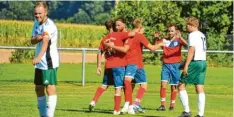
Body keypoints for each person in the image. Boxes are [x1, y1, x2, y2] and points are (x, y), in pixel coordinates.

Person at [105, 18, 163, 114]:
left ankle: (128, 105)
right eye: (143, 27)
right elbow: (152, 48)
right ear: (140, 27)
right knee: (141, 84)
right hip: (136, 63)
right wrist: (162, 43)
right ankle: (132, 104)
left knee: (129, 85)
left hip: (126, 62)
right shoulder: (139, 36)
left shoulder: (127, 34)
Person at [89, 19, 135, 115]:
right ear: (115, 26)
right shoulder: (119, 35)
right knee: (118, 87)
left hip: (108, 65)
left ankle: (93, 101)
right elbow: (132, 34)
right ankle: (116, 109)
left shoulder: (105, 38)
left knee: (104, 85)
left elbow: (99, 52)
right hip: (118, 65)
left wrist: (98, 66)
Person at [31, 2, 59, 117]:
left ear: (46, 12)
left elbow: (45, 43)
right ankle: (43, 115)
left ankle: (49, 115)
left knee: (49, 88)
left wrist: (37, 57)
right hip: (39, 64)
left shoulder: (49, 25)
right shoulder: (36, 23)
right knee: (38, 88)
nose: (37, 16)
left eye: (40, 13)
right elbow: (32, 40)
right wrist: (37, 38)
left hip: (48, 62)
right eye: (35, 13)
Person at [178, 17, 207, 117]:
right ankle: (200, 114)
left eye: (188, 25)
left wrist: (186, 65)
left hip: (195, 63)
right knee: (199, 88)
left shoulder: (192, 35)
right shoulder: (201, 35)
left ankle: (187, 112)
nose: (186, 27)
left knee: (181, 85)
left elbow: (191, 50)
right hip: (203, 62)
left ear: (194, 25)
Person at [155, 24, 188, 111]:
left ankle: (172, 106)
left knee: (174, 86)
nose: (170, 32)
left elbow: (187, 45)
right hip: (165, 65)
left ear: (176, 32)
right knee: (163, 84)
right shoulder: (164, 40)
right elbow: (155, 46)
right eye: (169, 31)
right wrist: (156, 38)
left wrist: (180, 37)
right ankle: (162, 105)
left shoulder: (178, 40)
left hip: (175, 66)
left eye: (172, 31)